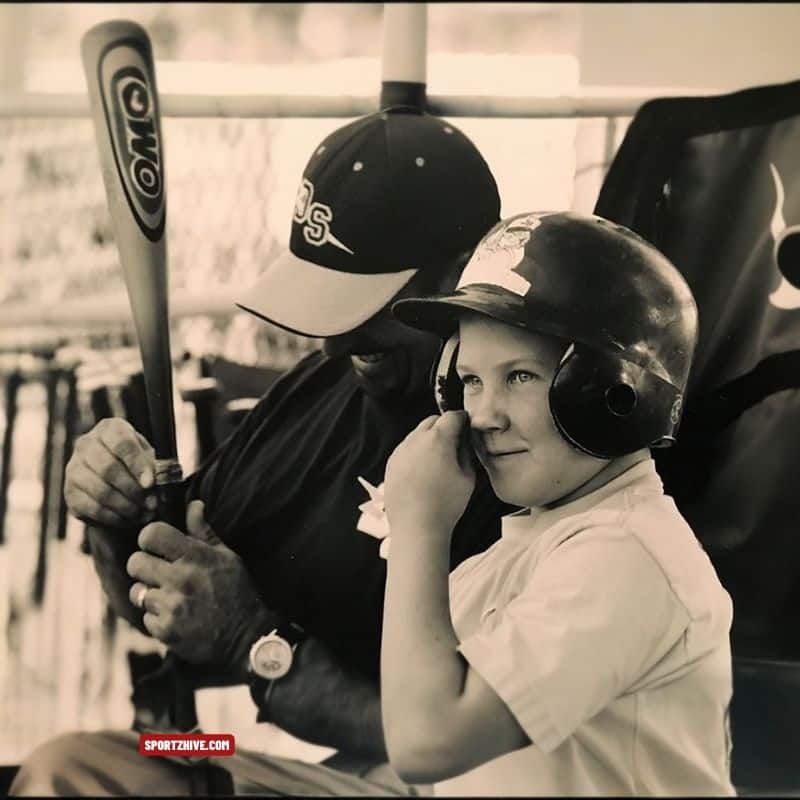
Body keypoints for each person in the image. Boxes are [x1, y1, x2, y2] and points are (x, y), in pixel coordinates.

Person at [10, 107, 507, 796]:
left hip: (447, 782)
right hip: (305, 764)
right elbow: (167, 598)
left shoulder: (518, 441)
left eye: (368, 303)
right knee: (71, 764)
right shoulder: (329, 385)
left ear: (465, 272)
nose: (334, 343)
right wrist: (111, 515)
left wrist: (253, 641)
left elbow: (448, 749)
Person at [379, 211, 735, 796]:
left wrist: (418, 526)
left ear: (614, 390)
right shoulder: (524, 550)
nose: (484, 416)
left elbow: (425, 742)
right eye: (469, 381)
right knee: (176, 757)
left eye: (519, 376)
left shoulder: (626, 553)